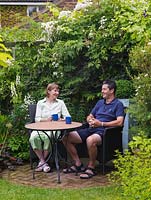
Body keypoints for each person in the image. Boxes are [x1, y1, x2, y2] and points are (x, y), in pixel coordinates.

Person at [62, 80, 125, 179]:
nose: (102, 91)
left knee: (90, 140)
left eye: (104, 89)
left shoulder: (118, 104)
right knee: (66, 137)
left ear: (112, 90)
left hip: (105, 132)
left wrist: (101, 124)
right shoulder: (100, 102)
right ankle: (78, 164)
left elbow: (120, 122)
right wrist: (90, 119)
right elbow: (90, 115)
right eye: (102, 89)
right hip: (91, 128)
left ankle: (91, 167)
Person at [29, 83, 70, 173]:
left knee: (49, 137)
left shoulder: (60, 103)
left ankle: (42, 163)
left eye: (58, 91)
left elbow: (68, 117)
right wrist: (47, 120)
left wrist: (60, 119)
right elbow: (37, 119)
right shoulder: (40, 103)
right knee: (33, 137)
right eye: (55, 91)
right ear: (48, 91)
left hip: (55, 129)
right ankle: (43, 162)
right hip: (41, 128)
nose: (57, 93)